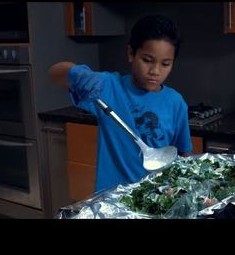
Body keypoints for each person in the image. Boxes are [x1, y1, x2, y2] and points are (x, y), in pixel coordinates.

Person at [49, 14, 192, 193]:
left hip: (156, 199)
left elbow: (184, 155)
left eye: (165, 64)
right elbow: (54, 73)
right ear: (131, 53)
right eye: (147, 60)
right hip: (110, 198)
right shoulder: (108, 87)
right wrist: (79, 74)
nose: (155, 71)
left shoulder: (176, 103)